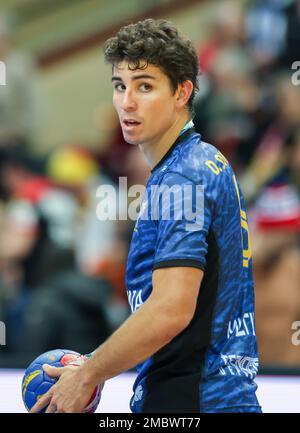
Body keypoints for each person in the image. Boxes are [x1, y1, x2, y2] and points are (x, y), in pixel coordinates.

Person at [31, 18, 262, 413]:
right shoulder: (196, 164)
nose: (127, 102)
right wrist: (94, 364)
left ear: (182, 92)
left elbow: (170, 310)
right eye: (120, 86)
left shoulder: (184, 175)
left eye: (145, 86)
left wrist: (89, 375)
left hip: (193, 401)